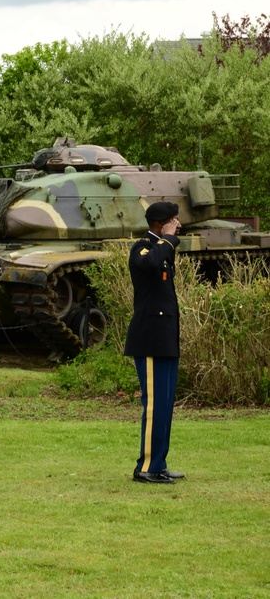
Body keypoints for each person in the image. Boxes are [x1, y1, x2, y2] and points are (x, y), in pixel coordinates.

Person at [125, 202, 184, 485]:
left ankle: (158, 463)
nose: (179, 225)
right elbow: (147, 263)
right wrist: (168, 238)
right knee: (154, 404)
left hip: (165, 338)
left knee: (165, 404)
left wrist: (168, 240)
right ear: (161, 223)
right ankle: (146, 467)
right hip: (149, 339)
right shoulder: (144, 247)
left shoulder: (162, 248)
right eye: (174, 221)